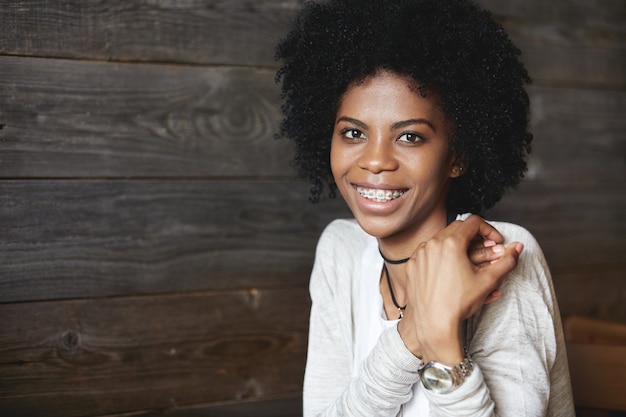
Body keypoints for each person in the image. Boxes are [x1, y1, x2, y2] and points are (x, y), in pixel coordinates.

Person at [275, 0, 575, 415]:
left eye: (410, 137)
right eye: (353, 132)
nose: (375, 159)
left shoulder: (501, 257)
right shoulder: (339, 251)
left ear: (458, 156)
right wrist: (414, 332)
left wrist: (444, 347)